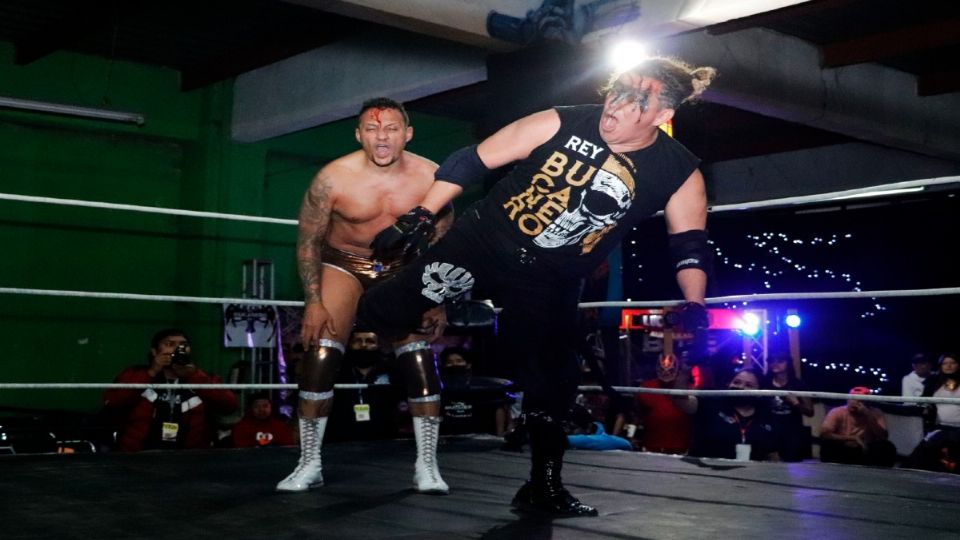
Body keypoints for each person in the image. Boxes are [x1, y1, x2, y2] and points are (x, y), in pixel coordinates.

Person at [358, 56, 716, 516]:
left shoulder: (678, 171)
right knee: (379, 311)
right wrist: (420, 216)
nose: (615, 107)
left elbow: (689, 242)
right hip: (482, 241)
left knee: (556, 379)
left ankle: (543, 487)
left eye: (635, 102)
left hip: (551, 278)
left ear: (663, 115)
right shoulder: (562, 120)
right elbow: (472, 160)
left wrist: (694, 302)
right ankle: (450, 322)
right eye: (617, 91)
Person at [278, 97, 454, 494]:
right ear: (359, 134)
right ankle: (309, 464)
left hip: (404, 269)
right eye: (372, 129)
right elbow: (308, 241)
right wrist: (313, 300)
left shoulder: (432, 177)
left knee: (419, 359)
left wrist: (437, 297)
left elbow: (445, 244)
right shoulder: (332, 178)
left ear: (407, 134)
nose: (381, 137)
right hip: (344, 264)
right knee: (321, 355)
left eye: (391, 128)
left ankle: (427, 466)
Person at [103, 328, 238, 452]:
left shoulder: (202, 377)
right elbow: (112, 402)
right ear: (155, 351)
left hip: (191, 458)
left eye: (183, 345)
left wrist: (194, 375)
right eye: (169, 344)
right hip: (139, 455)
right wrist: (152, 372)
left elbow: (229, 405)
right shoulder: (135, 374)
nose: (177, 349)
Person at [681, 367, 779, 461]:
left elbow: (772, 454)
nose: (740, 387)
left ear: (759, 392)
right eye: (736, 382)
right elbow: (682, 401)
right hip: (705, 472)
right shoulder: (711, 402)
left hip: (748, 474)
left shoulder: (766, 416)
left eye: (749, 385)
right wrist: (684, 374)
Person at [326, 329, 402, 442]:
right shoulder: (337, 372)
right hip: (342, 438)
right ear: (350, 344)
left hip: (384, 439)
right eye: (357, 341)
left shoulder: (392, 371)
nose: (363, 345)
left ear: (378, 345)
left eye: (370, 341)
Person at [631, 353, 693, 454]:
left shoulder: (688, 388)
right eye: (663, 370)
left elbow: (696, 419)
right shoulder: (645, 387)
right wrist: (631, 436)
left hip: (680, 448)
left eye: (670, 370)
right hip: (650, 446)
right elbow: (636, 416)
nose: (666, 373)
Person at [819, 386, 897, 467]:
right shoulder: (837, 411)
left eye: (859, 400)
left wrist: (868, 415)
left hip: (865, 449)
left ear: (867, 403)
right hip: (843, 447)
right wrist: (852, 438)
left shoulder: (875, 412)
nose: (854, 402)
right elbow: (825, 433)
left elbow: (883, 436)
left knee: (887, 447)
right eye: (852, 399)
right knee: (828, 444)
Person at [762, 354, 813, 462]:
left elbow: (810, 412)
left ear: (788, 363)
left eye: (780, 360)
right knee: (769, 468)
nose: (775, 363)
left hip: (792, 433)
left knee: (793, 468)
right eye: (771, 360)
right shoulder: (765, 384)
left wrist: (796, 403)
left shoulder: (798, 385)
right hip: (769, 432)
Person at [920, 352, 960, 432]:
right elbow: (923, 400)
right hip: (938, 426)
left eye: (952, 363)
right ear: (940, 366)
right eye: (944, 363)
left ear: (958, 365)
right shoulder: (933, 381)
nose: (948, 366)